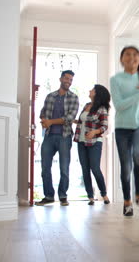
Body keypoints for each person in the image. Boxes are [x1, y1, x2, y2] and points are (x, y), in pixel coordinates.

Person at [110, 46, 139, 217]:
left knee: (138, 154)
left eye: (135, 54)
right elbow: (119, 105)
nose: (131, 57)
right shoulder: (116, 80)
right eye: (127, 54)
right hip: (122, 127)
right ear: (122, 59)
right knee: (126, 166)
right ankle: (127, 201)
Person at [36, 70, 80, 206]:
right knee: (45, 168)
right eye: (66, 78)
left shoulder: (74, 97)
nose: (69, 81)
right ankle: (49, 196)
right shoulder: (50, 96)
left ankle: (63, 196)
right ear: (60, 79)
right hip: (49, 136)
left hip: (64, 136)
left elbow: (70, 118)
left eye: (71, 79)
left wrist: (51, 122)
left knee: (64, 168)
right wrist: (44, 120)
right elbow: (42, 112)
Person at [74, 84, 111, 205]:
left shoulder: (101, 108)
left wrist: (95, 131)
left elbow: (104, 126)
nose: (90, 90)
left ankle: (104, 194)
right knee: (85, 170)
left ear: (97, 93)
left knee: (95, 168)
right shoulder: (86, 106)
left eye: (92, 89)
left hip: (95, 142)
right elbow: (82, 121)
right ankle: (90, 196)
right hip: (81, 141)